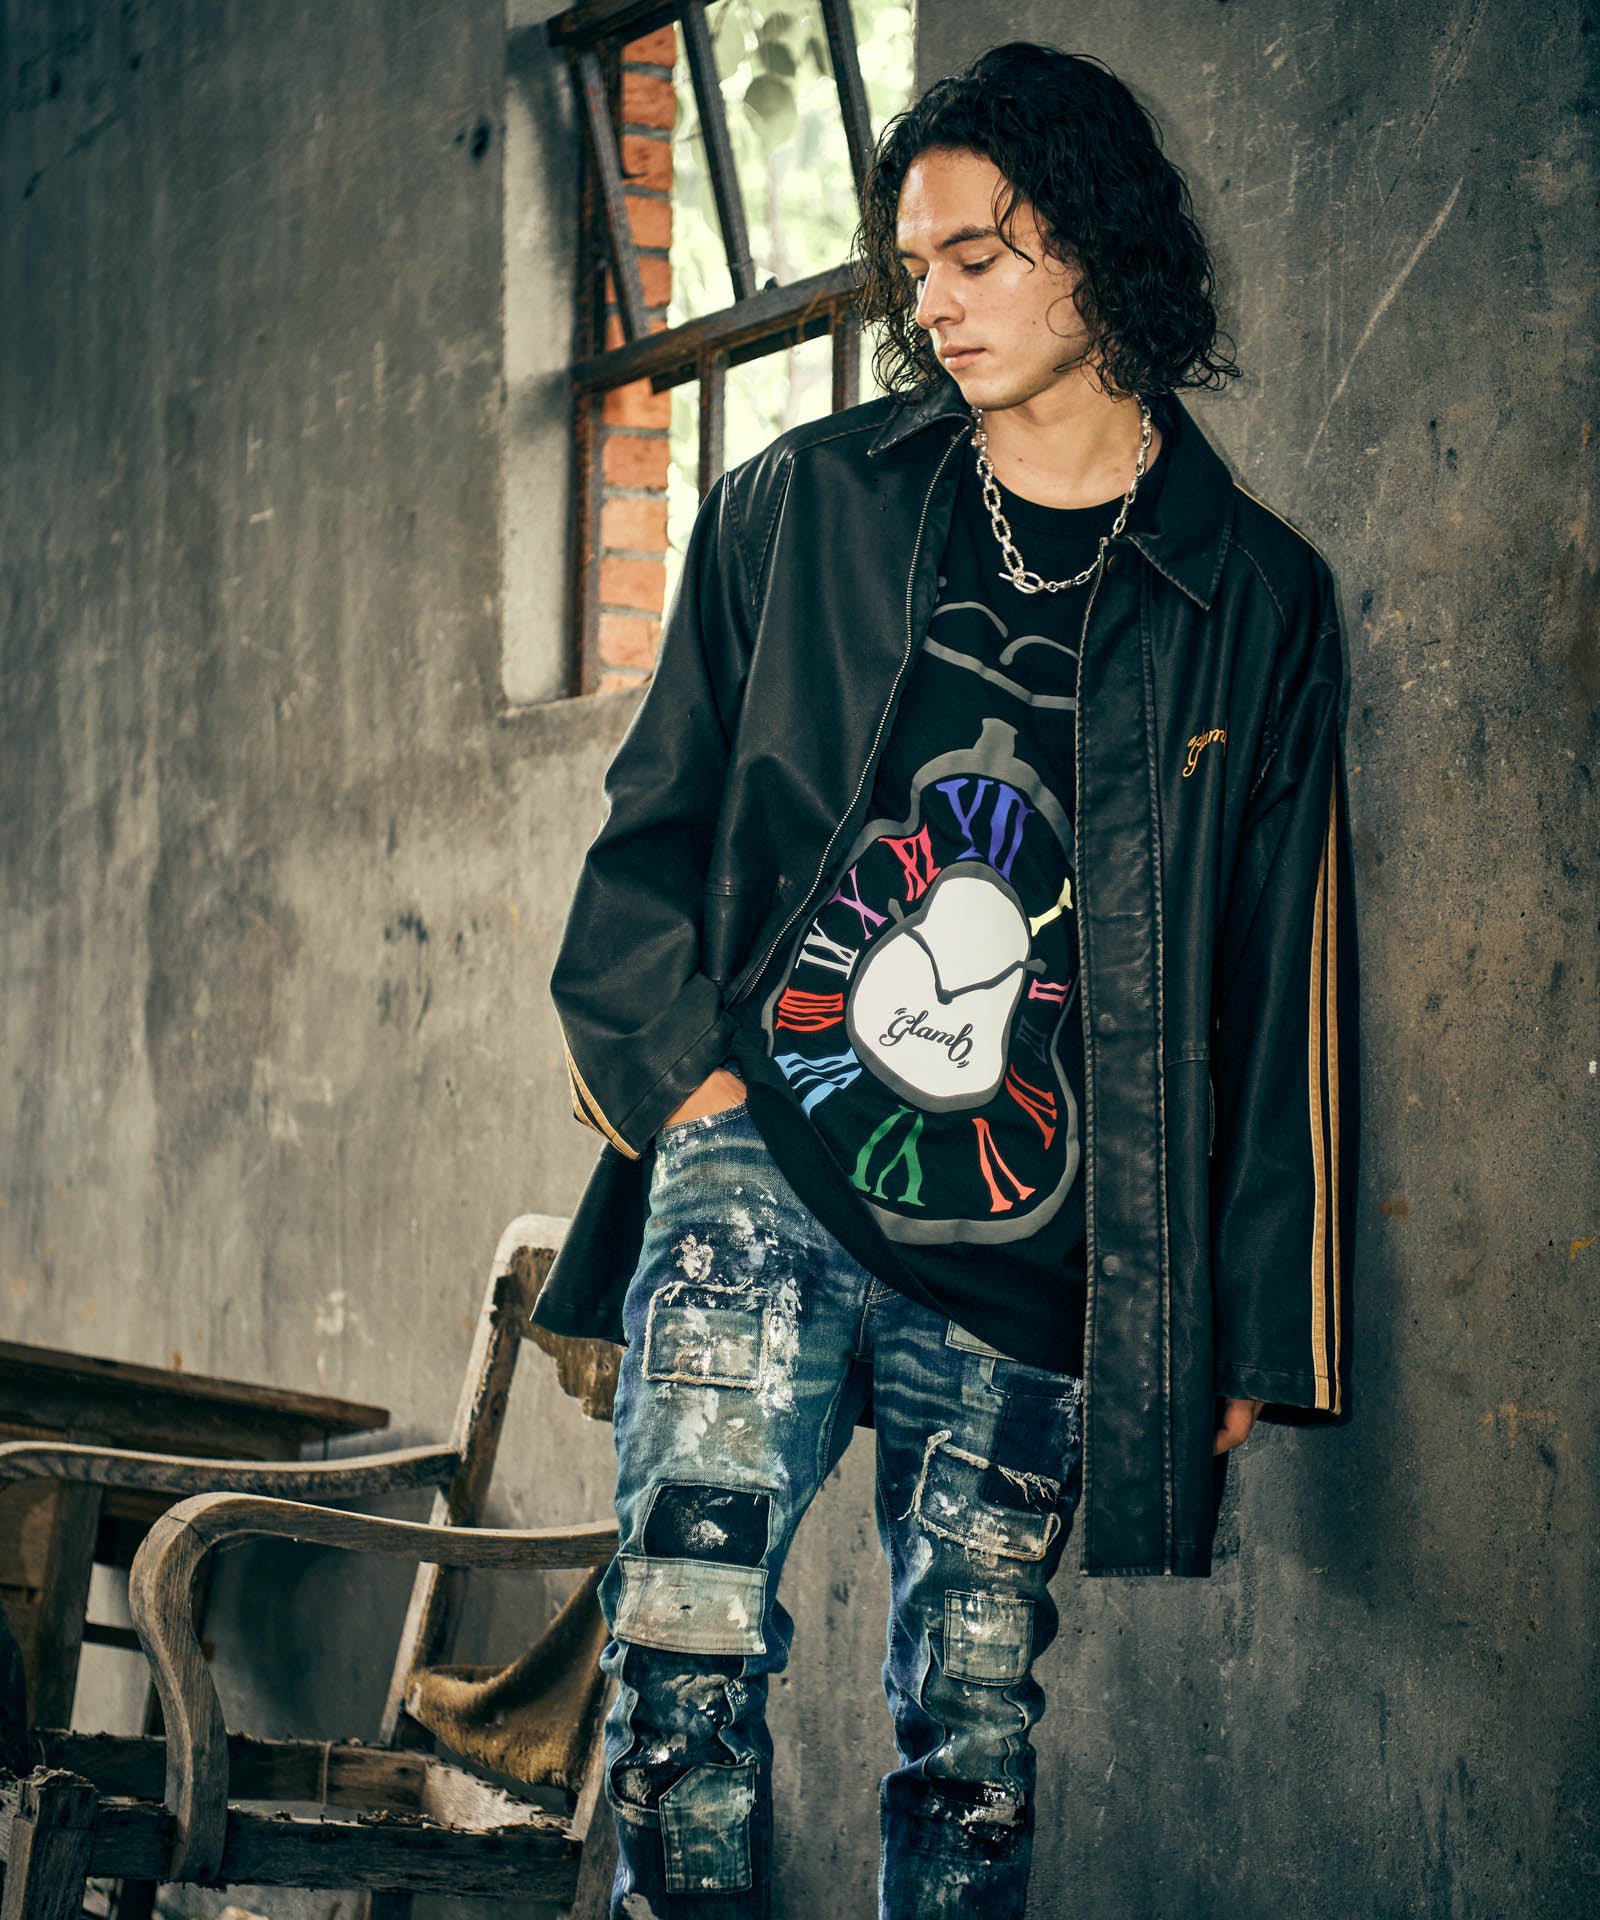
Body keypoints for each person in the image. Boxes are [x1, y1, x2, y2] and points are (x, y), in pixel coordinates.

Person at [535, 40, 1358, 1920]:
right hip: (767, 1177)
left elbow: (1277, 980)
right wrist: (696, 1104)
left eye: (979, 256)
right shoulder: (801, 505)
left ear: (1100, 250)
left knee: (972, 1747)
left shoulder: (1252, 597)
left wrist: (1241, 1323)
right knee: (676, 1674)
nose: (939, 302)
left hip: (1040, 1251)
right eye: (917, 268)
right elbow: (651, 831)